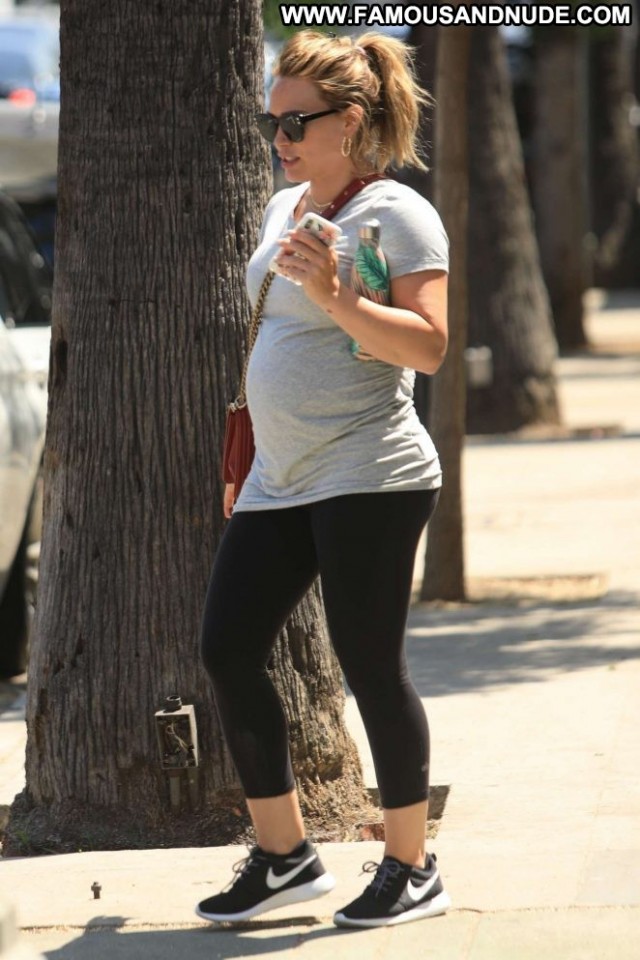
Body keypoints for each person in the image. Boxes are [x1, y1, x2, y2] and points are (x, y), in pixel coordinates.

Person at [197, 30, 450, 929]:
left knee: (370, 664)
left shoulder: (394, 214)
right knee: (227, 647)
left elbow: (428, 346)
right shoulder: (284, 207)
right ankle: (285, 857)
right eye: (271, 122)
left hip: (370, 471)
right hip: (281, 475)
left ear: (349, 120)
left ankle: (412, 867)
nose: (280, 138)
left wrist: (339, 295)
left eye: (295, 122)